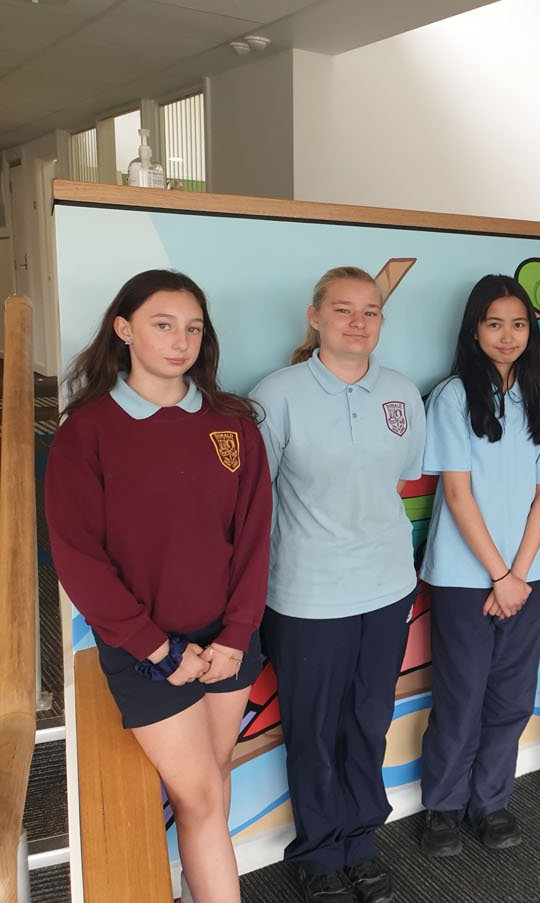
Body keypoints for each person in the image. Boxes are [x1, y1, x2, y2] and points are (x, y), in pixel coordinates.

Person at [46, 269, 270, 903]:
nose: (180, 341)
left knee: (210, 788)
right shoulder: (85, 432)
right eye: (162, 325)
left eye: (192, 328)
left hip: (228, 643)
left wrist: (233, 638)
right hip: (147, 650)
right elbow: (78, 558)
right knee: (199, 795)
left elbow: (255, 540)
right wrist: (158, 650)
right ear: (125, 330)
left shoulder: (234, 425)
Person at [251, 266, 426, 903]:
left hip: (385, 588)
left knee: (368, 721)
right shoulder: (277, 394)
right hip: (306, 594)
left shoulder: (402, 393)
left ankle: (360, 839)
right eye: (344, 310)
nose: (358, 322)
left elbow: (402, 477)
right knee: (313, 729)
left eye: (370, 311)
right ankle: (320, 852)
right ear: (315, 316)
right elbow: (254, 497)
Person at [417, 276, 540, 856]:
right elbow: (457, 495)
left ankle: (491, 802)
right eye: (494, 323)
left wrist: (520, 573)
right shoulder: (454, 396)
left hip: (523, 579)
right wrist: (498, 576)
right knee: (460, 696)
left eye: (519, 324)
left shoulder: (538, 397)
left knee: (511, 698)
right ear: (474, 329)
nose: (508, 336)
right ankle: (444, 807)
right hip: (465, 579)